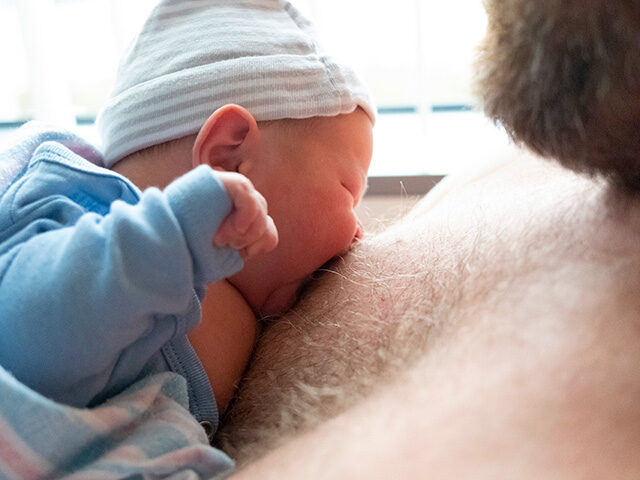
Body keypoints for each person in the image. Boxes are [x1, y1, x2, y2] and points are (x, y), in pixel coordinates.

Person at [0, 0, 375, 454]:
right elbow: (28, 341)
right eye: (349, 191)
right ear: (229, 158)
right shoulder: (80, 214)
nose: (358, 232)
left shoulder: (245, 301)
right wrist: (169, 235)